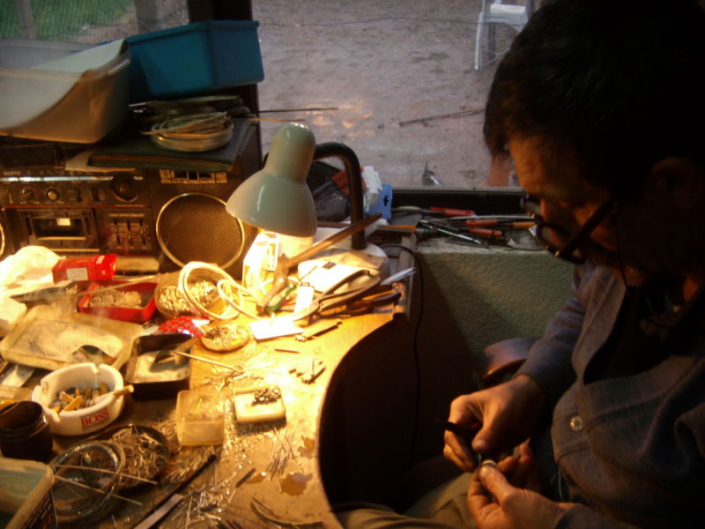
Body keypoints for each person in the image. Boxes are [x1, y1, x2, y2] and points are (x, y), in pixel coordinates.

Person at [336, 0, 705, 527]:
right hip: (541, 476)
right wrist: (529, 387)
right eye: (537, 199)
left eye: (573, 204)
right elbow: (587, 307)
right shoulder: (637, 239)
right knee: (357, 508)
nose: (561, 242)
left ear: (675, 184)